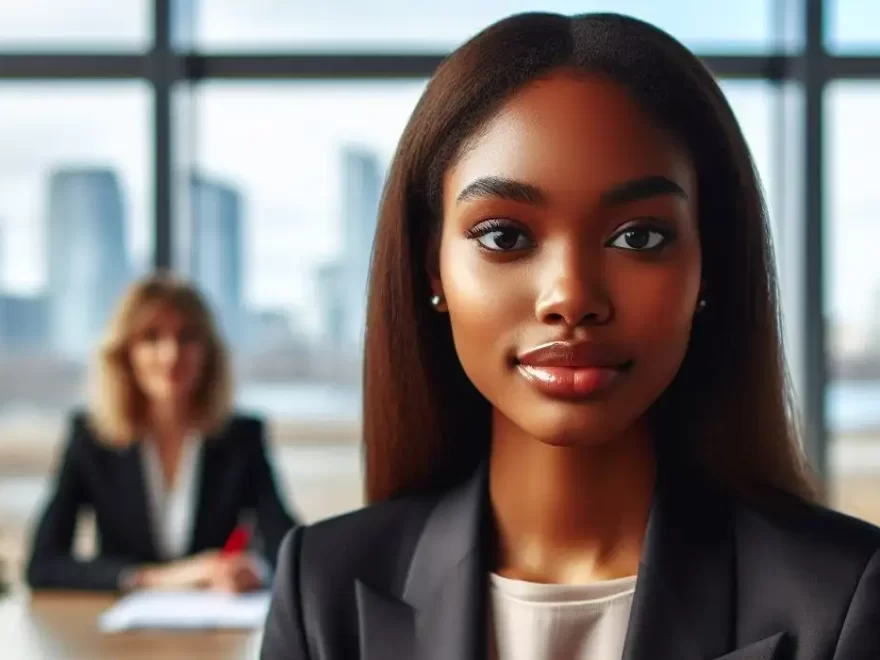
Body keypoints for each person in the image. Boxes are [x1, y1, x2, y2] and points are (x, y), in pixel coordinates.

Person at [260, 12, 880, 660]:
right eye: (504, 236)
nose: (571, 298)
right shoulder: (323, 589)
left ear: (709, 264)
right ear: (430, 267)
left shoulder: (839, 600)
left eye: (638, 237)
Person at [26, 274, 299, 592]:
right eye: (151, 338)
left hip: (219, 628)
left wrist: (256, 570)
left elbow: (287, 548)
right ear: (125, 353)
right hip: (119, 633)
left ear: (207, 353)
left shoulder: (241, 437)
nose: (171, 355)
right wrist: (157, 578)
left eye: (187, 337)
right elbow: (43, 564)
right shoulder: (91, 437)